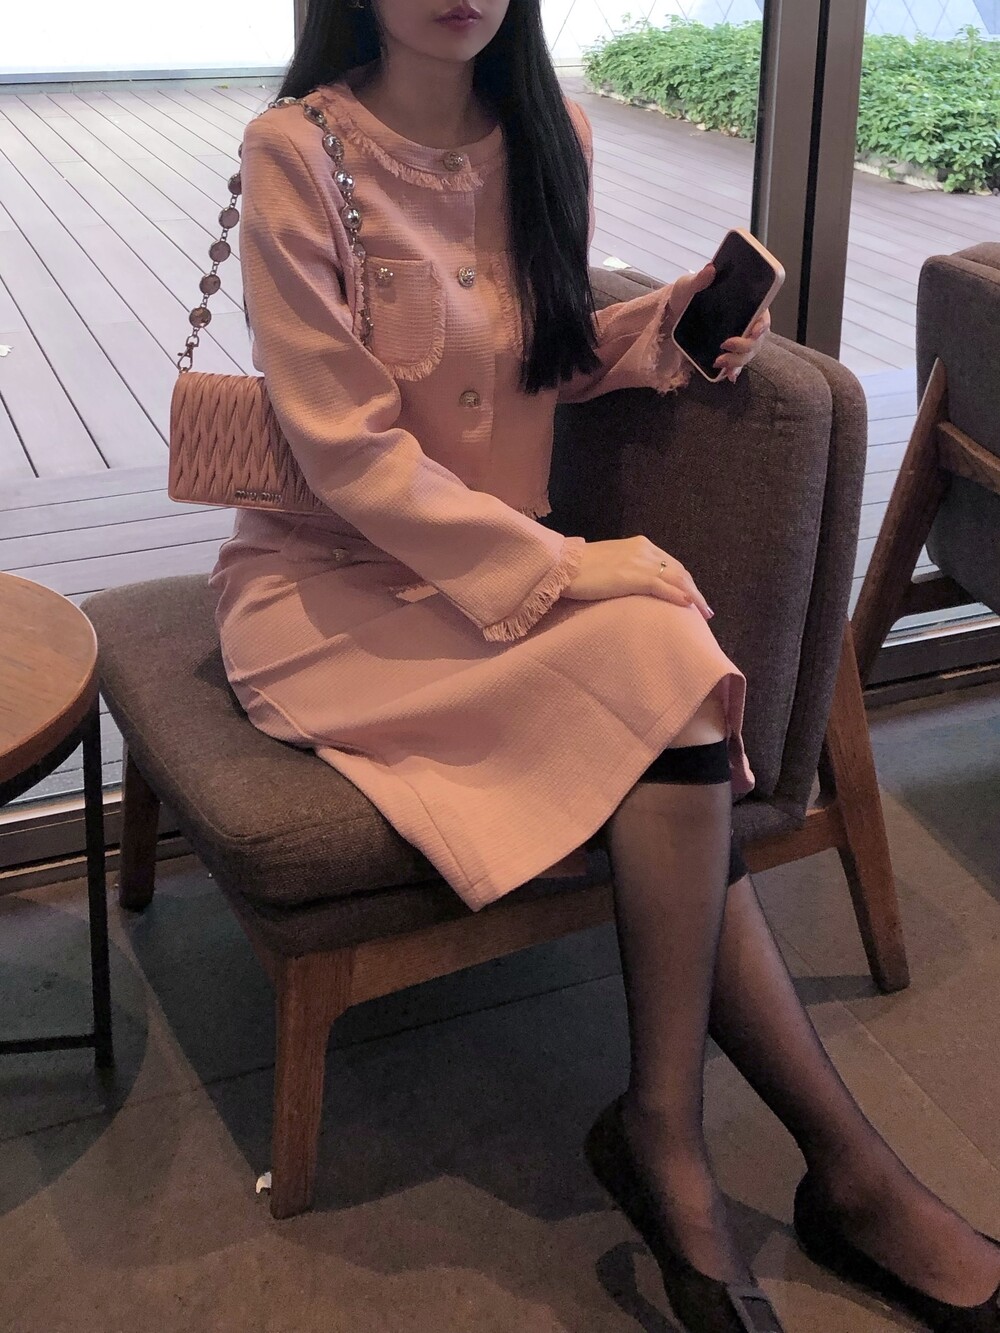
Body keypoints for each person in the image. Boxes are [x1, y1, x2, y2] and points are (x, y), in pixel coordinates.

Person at [207, 3, 1000, 1330]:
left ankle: (688, 1141)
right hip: (331, 594)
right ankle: (810, 1171)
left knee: (670, 661)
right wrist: (571, 568)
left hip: (491, 583)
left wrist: (668, 330)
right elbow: (347, 453)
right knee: (662, 640)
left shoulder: (550, 132)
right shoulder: (299, 152)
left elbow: (543, 359)